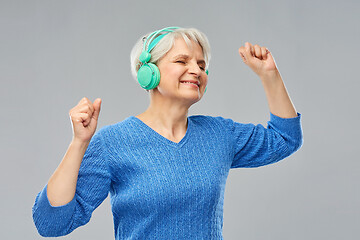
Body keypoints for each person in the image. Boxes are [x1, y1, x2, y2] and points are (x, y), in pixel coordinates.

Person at [32, 27, 303, 239]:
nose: (196, 70)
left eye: (201, 63)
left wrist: (270, 76)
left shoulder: (219, 134)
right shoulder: (113, 143)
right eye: (182, 60)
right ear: (148, 72)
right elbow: (52, 223)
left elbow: (285, 139)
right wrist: (79, 143)